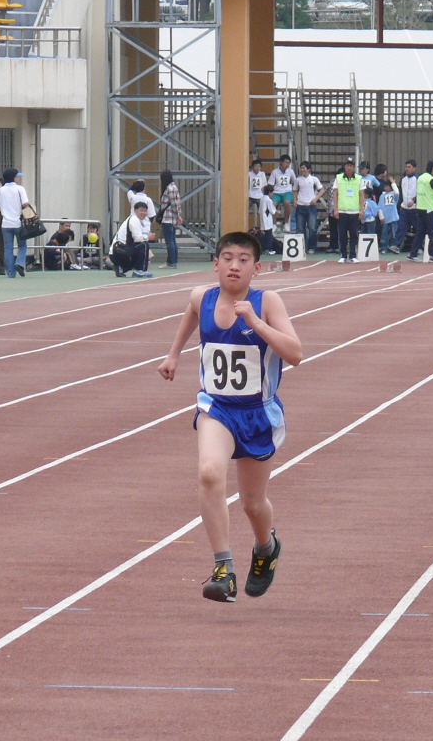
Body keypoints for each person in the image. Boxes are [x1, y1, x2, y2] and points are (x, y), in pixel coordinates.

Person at [157, 231, 301, 603]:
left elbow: (296, 353)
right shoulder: (201, 297)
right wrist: (174, 354)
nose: (234, 265)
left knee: (252, 503)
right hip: (216, 407)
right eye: (227, 258)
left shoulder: (267, 302)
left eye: (243, 259)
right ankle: (224, 568)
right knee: (209, 474)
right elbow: (191, 314)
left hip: (258, 413)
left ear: (256, 268)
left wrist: (255, 322)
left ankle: (266, 547)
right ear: (215, 264)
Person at [407, 160, 433, 262]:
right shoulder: (430, 179)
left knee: (420, 232)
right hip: (429, 209)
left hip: (420, 208)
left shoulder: (420, 178)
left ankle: (413, 253)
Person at [110, 201, 155, 278]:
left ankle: (121, 267)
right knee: (144, 245)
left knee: (141, 246)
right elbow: (138, 239)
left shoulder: (134, 219)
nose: (143, 213)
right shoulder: (134, 220)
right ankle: (140, 271)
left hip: (117, 252)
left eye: (145, 211)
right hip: (119, 251)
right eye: (141, 210)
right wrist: (148, 237)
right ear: (135, 211)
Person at [332, 158, 363, 263]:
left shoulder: (359, 178)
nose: (349, 167)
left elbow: (361, 195)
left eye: (351, 165)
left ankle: (353, 255)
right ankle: (343, 255)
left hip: (354, 211)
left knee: (354, 234)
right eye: (347, 165)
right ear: (344, 166)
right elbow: (335, 194)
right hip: (342, 210)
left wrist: (361, 210)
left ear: (353, 167)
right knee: (342, 234)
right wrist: (335, 209)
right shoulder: (338, 178)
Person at [292, 161, 323, 254]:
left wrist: (315, 199)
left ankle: (311, 247)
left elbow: (321, 190)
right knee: (300, 228)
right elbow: (294, 190)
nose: (302, 170)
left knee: (312, 227)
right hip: (300, 205)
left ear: (308, 169)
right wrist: (295, 200)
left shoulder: (314, 179)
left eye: (304, 168)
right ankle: (301, 247)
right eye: (301, 168)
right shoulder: (298, 180)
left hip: (311, 206)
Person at [158, 169, 183, 269]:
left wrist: (178, 216)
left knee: (169, 241)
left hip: (168, 218)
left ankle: (171, 262)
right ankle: (173, 261)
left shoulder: (170, 188)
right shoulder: (173, 187)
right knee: (172, 240)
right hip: (171, 218)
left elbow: (174, 204)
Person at [393, 159, 419, 254]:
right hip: (404, 208)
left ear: (414, 168)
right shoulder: (403, 179)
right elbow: (401, 193)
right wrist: (399, 205)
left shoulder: (417, 179)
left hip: (415, 208)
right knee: (401, 227)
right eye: (406, 167)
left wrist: (414, 200)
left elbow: (420, 193)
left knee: (418, 228)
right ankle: (396, 245)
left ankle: (419, 246)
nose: (407, 169)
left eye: (409, 167)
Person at [268, 155, 295, 227]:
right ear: (281, 162)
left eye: (288, 163)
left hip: (287, 192)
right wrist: (270, 193)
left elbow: (294, 182)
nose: (287, 165)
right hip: (277, 192)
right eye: (286, 162)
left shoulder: (290, 171)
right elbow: (270, 184)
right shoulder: (275, 172)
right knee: (272, 204)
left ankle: (286, 222)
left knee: (287, 202)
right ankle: (274, 224)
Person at [377, 179, 399, 255]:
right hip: (385, 218)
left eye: (387, 186)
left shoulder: (394, 194)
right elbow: (379, 207)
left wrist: (393, 183)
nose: (385, 188)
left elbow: (397, 192)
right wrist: (381, 217)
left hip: (393, 217)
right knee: (384, 234)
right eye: (385, 186)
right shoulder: (382, 196)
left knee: (394, 233)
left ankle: (394, 246)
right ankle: (383, 248)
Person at [253, 185, 277, 255]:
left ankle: (264, 249)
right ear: (270, 192)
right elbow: (272, 210)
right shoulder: (268, 200)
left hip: (262, 218)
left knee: (265, 235)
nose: (272, 194)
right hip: (267, 219)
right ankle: (268, 249)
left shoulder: (262, 199)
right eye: (272, 193)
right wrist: (276, 211)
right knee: (269, 235)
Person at [248, 159, 265, 228]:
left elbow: (263, 186)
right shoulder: (249, 174)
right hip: (250, 195)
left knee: (263, 211)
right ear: (252, 167)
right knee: (245, 209)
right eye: (256, 166)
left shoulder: (262, 174)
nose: (257, 168)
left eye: (259, 166)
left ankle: (263, 226)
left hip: (259, 195)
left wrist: (264, 196)